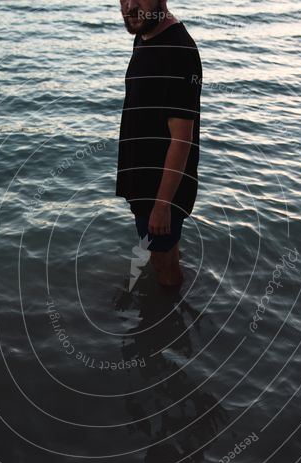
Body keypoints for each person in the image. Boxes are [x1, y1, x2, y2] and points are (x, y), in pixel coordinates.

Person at [116, 0, 202, 287]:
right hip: (144, 180)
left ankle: (170, 322)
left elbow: (181, 138)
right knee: (165, 252)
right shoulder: (144, 35)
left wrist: (162, 205)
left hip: (160, 189)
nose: (129, 6)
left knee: (162, 263)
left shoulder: (178, 52)